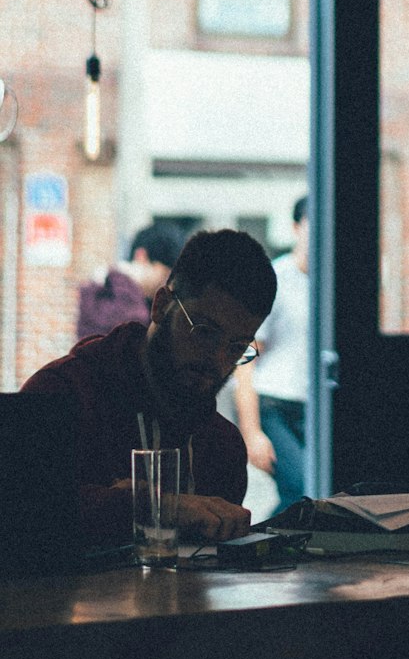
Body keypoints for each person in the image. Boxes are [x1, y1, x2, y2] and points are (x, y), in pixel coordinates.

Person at [21, 228, 277, 545]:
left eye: (237, 346)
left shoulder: (222, 447)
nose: (217, 360)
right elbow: (23, 515)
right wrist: (158, 507)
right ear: (161, 305)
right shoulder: (63, 393)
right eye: (205, 332)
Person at [233, 196, 308, 510]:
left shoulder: (332, 283)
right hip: (275, 407)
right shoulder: (277, 279)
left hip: (315, 411)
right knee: (303, 489)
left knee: (316, 494)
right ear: (295, 228)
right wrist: (251, 432)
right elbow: (245, 358)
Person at [76, 221, 185, 341]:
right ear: (141, 256)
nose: (168, 284)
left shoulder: (129, 296)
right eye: (166, 274)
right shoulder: (118, 299)